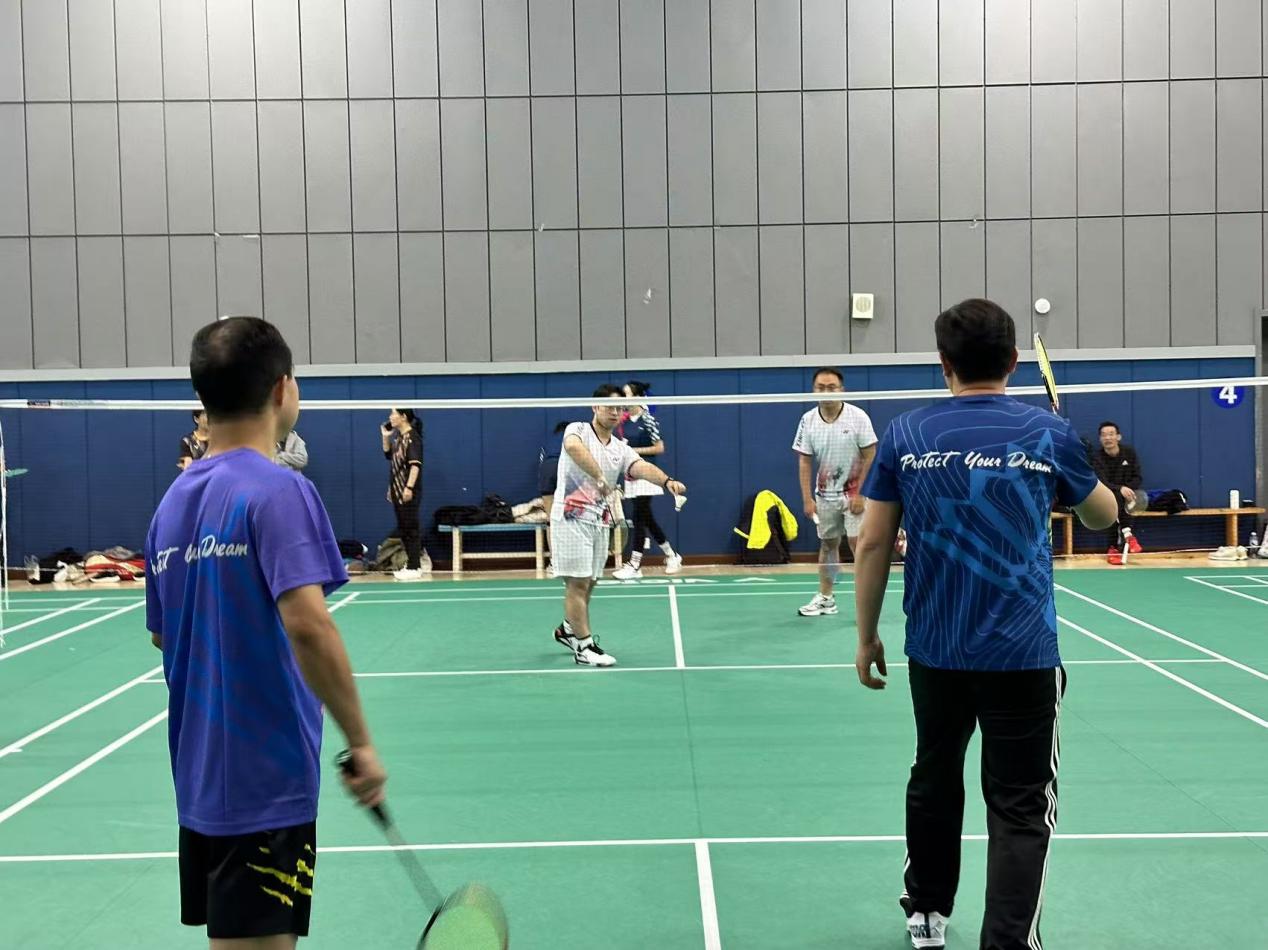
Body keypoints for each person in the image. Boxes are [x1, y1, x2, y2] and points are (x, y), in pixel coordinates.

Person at [852, 299, 1117, 950]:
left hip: (936, 650)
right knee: (1021, 807)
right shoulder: (1049, 433)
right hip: (1023, 654)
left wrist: (866, 634)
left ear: (943, 362)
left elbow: (872, 541)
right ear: (1015, 361)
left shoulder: (905, 435)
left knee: (934, 777)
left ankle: (927, 911)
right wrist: (1094, 477)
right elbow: (1101, 517)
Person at [145, 317, 387, 950]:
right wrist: (361, 742)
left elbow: (164, 637)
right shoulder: (281, 491)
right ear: (283, 388)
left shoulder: (170, 506)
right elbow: (309, 625)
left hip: (200, 777)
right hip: (265, 780)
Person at [551, 384, 686, 667]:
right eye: (610, 407)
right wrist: (600, 476)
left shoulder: (620, 448)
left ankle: (567, 629)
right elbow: (573, 448)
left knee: (591, 581)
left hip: (600, 522)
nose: (615, 412)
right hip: (571, 518)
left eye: (619, 409)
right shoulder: (578, 430)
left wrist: (667, 481)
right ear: (595, 407)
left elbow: (640, 467)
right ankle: (584, 648)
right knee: (577, 583)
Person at [792, 367, 878, 617]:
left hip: (854, 495)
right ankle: (826, 599)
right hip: (825, 496)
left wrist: (861, 493)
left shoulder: (858, 417)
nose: (826, 392)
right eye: (820, 387)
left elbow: (871, 454)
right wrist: (807, 499)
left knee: (858, 545)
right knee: (828, 545)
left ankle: (866, 604)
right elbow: (805, 460)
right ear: (813, 390)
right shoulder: (808, 420)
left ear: (842, 390)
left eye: (831, 387)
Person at [613, 380, 682, 579]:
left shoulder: (648, 419)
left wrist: (634, 451)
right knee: (647, 518)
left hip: (647, 475)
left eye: (627, 394)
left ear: (638, 397)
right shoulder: (623, 422)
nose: (624, 398)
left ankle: (635, 564)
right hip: (630, 475)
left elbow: (659, 447)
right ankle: (672, 556)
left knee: (638, 517)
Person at [1089, 421, 1143, 563]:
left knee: (1119, 502)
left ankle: (1112, 549)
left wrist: (1127, 490)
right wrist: (1120, 489)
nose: (1108, 438)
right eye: (1104, 435)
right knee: (1114, 500)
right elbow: (1101, 482)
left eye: (1111, 434)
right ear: (1100, 439)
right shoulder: (1097, 458)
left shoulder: (1129, 453)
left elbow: (1137, 477)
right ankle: (1128, 535)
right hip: (1103, 496)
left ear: (1118, 437)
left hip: (1129, 497)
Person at [381, 408, 426, 580]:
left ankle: (415, 567)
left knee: (411, 528)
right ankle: (411, 564)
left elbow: (415, 465)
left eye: (393, 414)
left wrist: (409, 487)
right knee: (404, 528)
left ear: (403, 417)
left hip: (408, 491)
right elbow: (389, 456)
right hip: (397, 490)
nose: (390, 417)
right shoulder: (400, 438)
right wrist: (385, 436)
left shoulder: (412, 438)